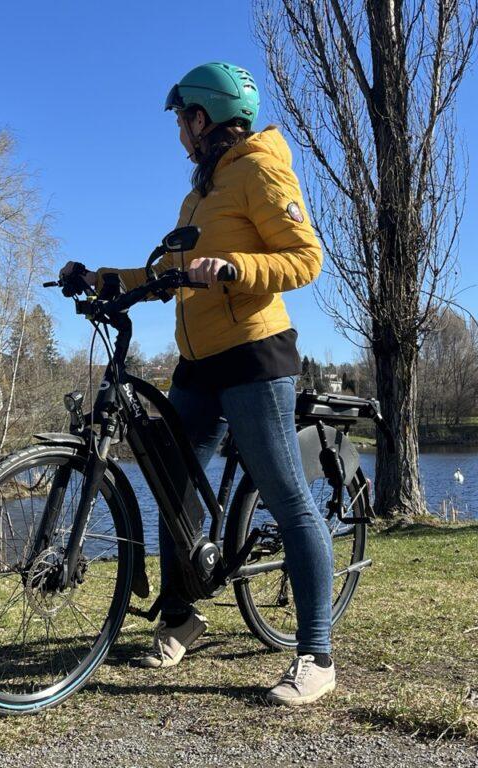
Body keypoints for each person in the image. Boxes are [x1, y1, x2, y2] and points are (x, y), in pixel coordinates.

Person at [59, 62, 334, 706]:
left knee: (288, 498)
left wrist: (234, 266)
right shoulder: (200, 195)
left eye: (182, 121)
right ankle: (181, 616)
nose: (179, 134)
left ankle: (316, 654)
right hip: (199, 363)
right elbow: (172, 273)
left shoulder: (260, 169)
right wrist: (106, 278)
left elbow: (306, 258)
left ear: (202, 119)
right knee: (172, 484)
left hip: (253, 356)